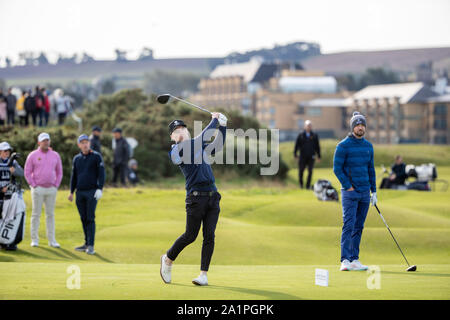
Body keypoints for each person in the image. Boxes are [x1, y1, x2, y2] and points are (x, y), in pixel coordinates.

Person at [160, 112, 227, 286]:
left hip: (212, 197)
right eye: (176, 130)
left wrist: (224, 127)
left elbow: (217, 146)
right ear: (172, 137)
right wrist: (214, 121)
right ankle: (168, 259)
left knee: (209, 236)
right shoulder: (175, 151)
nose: (180, 131)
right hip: (195, 198)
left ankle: (203, 275)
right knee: (190, 235)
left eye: (182, 128)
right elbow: (200, 139)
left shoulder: (198, 147)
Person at [333, 111, 377, 272]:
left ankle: (354, 259)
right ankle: (344, 260)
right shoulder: (343, 146)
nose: (360, 128)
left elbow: (371, 170)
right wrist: (348, 186)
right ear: (352, 127)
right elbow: (337, 169)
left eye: (362, 125)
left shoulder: (368, 146)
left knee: (359, 226)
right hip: (350, 193)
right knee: (348, 225)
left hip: (365, 193)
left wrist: (374, 192)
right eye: (357, 125)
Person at [68, 134, 105, 255]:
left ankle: (91, 245)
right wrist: (71, 192)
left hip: (92, 192)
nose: (85, 144)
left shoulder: (96, 157)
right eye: (82, 142)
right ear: (79, 145)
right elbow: (74, 176)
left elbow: (101, 174)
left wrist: (100, 189)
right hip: (80, 192)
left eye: (86, 142)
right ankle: (86, 243)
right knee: (83, 218)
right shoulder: (77, 159)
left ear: (89, 143)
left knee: (90, 218)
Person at [24, 133, 63, 248]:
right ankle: (34, 240)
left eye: (47, 140)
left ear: (49, 141)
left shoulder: (55, 155)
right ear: (39, 143)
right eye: (43, 140)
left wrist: (56, 185)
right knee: (36, 214)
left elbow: (59, 172)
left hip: (51, 188)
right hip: (38, 189)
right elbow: (27, 172)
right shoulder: (33, 155)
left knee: (50, 215)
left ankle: (52, 240)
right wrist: (33, 185)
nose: (46, 142)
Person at [0, 142, 24, 251]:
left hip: (10, 197)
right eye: (5, 151)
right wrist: (1, 189)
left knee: (9, 219)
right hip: (1, 193)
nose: (7, 153)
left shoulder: (13, 162)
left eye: (8, 151)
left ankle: (8, 242)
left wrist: (13, 170)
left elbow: (22, 174)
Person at [294, 120, 321, 189]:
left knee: (310, 171)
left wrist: (319, 156)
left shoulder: (314, 135)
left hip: (311, 156)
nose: (309, 127)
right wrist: (295, 154)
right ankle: (301, 185)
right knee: (301, 171)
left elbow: (317, 146)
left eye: (310, 125)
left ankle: (308, 185)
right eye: (307, 125)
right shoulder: (300, 135)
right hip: (302, 156)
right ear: (305, 126)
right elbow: (296, 145)